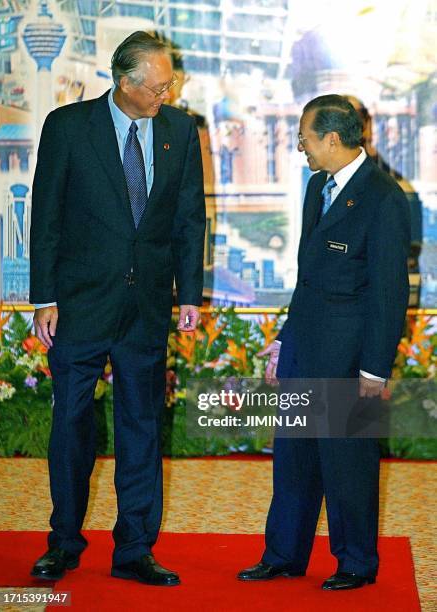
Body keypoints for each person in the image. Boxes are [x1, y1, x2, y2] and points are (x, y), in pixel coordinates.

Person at [29, 31, 205, 586]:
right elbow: (46, 214)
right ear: (122, 81)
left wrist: (190, 295)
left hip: (146, 309)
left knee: (141, 427)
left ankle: (134, 547)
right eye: (156, 86)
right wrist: (44, 297)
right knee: (72, 426)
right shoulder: (68, 126)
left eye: (169, 82)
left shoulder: (179, 129)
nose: (166, 93)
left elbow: (189, 220)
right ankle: (63, 542)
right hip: (78, 306)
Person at [238, 95, 410, 590]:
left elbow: (388, 294)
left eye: (305, 138)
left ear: (332, 139)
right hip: (305, 349)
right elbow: (309, 277)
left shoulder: (383, 198)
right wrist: (284, 340)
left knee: (349, 464)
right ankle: (283, 555)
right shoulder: (318, 187)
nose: (299, 147)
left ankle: (356, 562)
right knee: (293, 459)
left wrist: (375, 370)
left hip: (352, 359)